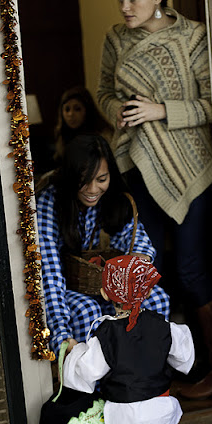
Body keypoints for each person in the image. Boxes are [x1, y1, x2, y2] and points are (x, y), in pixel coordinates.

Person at [97, 0, 212, 400]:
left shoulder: (193, 37)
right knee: (144, 269)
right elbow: (103, 92)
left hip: (189, 168)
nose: (125, 7)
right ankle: (151, 372)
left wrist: (161, 111)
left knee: (191, 267)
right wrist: (116, 111)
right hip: (138, 166)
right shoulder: (116, 38)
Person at [63, 254, 195, 424]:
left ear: (104, 293)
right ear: (146, 291)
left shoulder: (106, 335)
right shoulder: (162, 325)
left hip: (126, 415)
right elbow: (183, 357)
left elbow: (88, 371)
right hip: (160, 407)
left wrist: (75, 350)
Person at [36, 134, 170, 357]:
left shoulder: (115, 199)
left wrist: (137, 273)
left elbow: (137, 240)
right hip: (66, 288)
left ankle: (145, 370)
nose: (92, 189)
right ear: (70, 175)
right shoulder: (50, 202)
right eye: (84, 180)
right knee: (87, 309)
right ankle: (96, 378)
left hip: (104, 286)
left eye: (101, 179)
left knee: (157, 298)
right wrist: (60, 333)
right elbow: (49, 272)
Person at [53, 86, 113, 163]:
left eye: (77, 109)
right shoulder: (63, 136)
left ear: (87, 110)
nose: (71, 114)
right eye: (67, 110)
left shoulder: (103, 136)